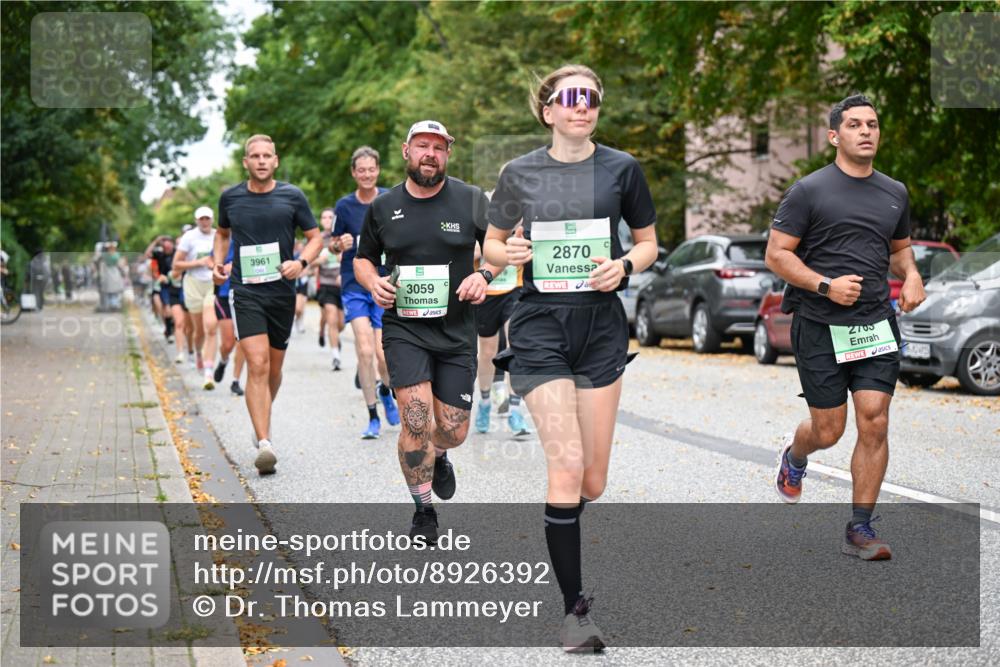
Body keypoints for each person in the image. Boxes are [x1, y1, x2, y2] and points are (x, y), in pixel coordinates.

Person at [483, 65, 658, 653]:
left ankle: (561, 525)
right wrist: (510, 249)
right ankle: (574, 613)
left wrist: (626, 266)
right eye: (570, 99)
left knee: (592, 480)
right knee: (565, 468)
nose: (582, 108)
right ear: (548, 110)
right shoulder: (519, 172)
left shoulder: (622, 169)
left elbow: (648, 241)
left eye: (592, 100)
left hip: (601, 327)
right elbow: (492, 243)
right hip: (538, 325)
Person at [766, 94, 926, 561]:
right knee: (829, 430)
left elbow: (899, 249)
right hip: (819, 324)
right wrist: (824, 285)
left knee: (874, 421)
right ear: (835, 136)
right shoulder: (809, 191)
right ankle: (796, 457)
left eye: (872, 124)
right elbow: (777, 254)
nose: (866, 131)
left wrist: (912, 275)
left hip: (875, 322)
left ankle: (860, 527)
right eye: (855, 124)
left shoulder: (894, 191)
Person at [356, 120, 501, 543]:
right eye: (423, 146)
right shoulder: (383, 207)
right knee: (415, 420)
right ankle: (424, 510)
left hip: (456, 330)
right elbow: (364, 259)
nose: (430, 154)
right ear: (406, 151)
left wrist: (486, 274)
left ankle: (439, 455)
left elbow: (498, 245)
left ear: (447, 155)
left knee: (452, 430)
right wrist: (373, 282)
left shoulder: (471, 200)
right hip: (405, 329)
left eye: (439, 148)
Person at [213, 134, 322, 475]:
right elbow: (222, 233)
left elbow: (315, 237)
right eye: (254, 156)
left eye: (267, 156)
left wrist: (301, 263)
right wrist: (218, 262)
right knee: (256, 364)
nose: (261, 161)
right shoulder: (230, 198)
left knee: (274, 370)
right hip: (245, 291)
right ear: (245, 162)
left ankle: (261, 421)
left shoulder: (292, 196)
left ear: (275, 161)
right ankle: (264, 443)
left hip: (282, 292)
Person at [333, 146, 399, 439]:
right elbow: (332, 244)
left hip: (384, 283)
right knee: (364, 349)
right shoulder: (344, 207)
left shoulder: (390, 199)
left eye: (371, 169)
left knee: (383, 355)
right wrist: (340, 244)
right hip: (354, 284)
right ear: (353, 173)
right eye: (361, 170)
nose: (367, 174)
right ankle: (372, 416)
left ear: (378, 170)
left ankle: (386, 391)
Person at [474, 225, 530, 436]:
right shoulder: (482, 220)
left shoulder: (522, 218)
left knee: (516, 344)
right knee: (487, 352)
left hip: (513, 290)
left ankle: (515, 410)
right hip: (486, 293)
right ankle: (485, 402)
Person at [175, 207, 218, 389]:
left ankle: (209, 372)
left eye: (207, 218)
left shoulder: (219, 236)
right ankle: (198, 353)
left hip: (212, 284)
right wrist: (199, 262)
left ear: (212, 219)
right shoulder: (189, 238)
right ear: (196, 220)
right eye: (201, 219)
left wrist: (216, 265)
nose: (205, 222)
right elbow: (176, 264)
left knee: (211, 326)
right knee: (198, 330)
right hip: (193, 284)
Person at [209, 240, 246, 396]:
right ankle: (223, 361)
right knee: (228, 343)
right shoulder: (224, 239)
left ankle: (235, 381)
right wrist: (223, 268)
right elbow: (213, 263)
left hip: (245, 295)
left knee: (243, 341)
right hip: (224, 295)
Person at [314, 208, 345, 370]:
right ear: (321, 220)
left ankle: (329, 334)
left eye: (330, 217)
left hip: (342, 284)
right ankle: (335, 356)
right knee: (331, 319)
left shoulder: (342, 236)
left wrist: (344, 262)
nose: (327, 220)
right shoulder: (317, 239)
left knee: (341, 324)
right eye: (324, 217)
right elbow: (310, 262)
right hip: (326, 283)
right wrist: (320, 259)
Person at [145, 235, 175, 343]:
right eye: (164, 245)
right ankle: (168, 329)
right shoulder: (159, 254)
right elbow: (147, 254)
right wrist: (155, 241)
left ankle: (170, 329)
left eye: (169, 245)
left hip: (174, 284)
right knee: (162, 308)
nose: (167, 248)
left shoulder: (177, 253)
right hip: (161, 284)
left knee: (170, 310)